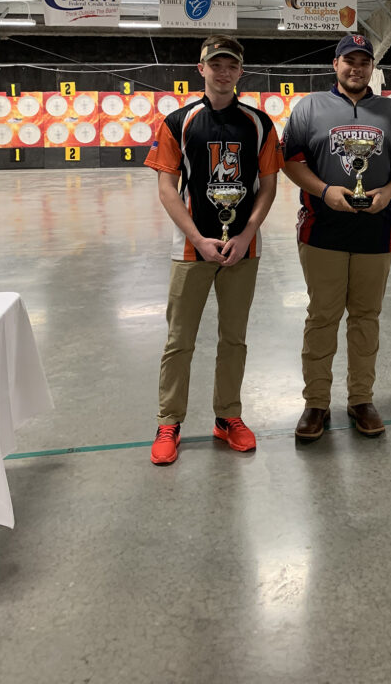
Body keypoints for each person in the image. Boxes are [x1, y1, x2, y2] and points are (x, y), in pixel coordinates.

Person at [144, 35, 284, 464]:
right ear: (201, 68)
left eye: (231, 66)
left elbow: (268, 186)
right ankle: (169, 422)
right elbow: (167, 189)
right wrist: (197, 239)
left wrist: (246, 235)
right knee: (179, 340)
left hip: (243, 249)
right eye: (216, 65)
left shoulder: (260, 123)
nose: (224, 72)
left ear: (241, 71)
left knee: (234, 338)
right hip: (192, 249)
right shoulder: (177, 122)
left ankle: (227, 417)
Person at [282, 33, 391, 441]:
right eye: (349, 60)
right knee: (322, 317)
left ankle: (361, 399)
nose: (356, 68)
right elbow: (290, 160)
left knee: (366, 318)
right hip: (322, 229)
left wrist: (389, 191)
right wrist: (324, 190)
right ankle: (316, 403)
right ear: (335, 64)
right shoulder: (309, 108)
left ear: (372, 67)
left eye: (364, 62)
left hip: (377, 230)